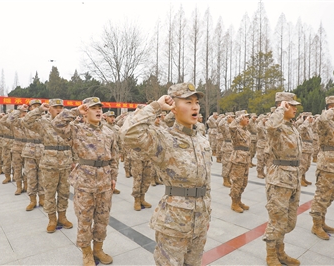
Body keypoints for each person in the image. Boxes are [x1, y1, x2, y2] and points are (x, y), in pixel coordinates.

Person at [121, 82, 211, 266]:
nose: (195, 106)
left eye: (196, 102)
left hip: (200, 220)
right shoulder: (164, 138)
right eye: (188, 101)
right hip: (174, 223)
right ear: (174, 107)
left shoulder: (202, 140)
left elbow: (206, 183)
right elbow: (128, 133)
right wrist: (156, 106)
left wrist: (207, 214)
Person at [51, 97, 118, 266]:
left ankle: (98, 249)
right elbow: (56, 124)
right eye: (93, 108)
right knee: (85, 219)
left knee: (103, 218)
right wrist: (75, 111)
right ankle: (86, 252)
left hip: (104, 182)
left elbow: (114, 157)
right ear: (85, 110)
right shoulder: (76, 130)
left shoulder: (110, 132)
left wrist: (114, 178)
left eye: (99, 108)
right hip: (85, 182)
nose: (98, 110)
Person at [22, 99, 73, 233]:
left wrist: (76, 161)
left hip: (66, 162)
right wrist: (39, 110)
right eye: (55, 107)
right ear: (49, 109)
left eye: (61, 107)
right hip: (50, 163)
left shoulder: (70, 123)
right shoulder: (43, 122)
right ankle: (52, 219)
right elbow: (26, 122)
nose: (59, 110)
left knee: (64, 192)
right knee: (50, 192)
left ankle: (62, 217)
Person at [263, 92, 302, 266]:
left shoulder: (291, 126)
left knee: (288, 221)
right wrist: (279, 110)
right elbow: (270, 126)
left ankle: (280, 251)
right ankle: (271, 255)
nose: (295, 108)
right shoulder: (275, 126)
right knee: (277, 220)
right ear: (282, 106)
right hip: (279, 179)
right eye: (291, 105)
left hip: (293, 177)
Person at [310, 96, 334, 240]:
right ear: (332, 106)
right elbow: (321, 120)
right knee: (322, 195)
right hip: (327, 165)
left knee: (330, 196)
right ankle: (316, 225)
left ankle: (322, 221)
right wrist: (331, 110)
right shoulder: (324, 121)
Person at [228, 110, 251, 213]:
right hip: (238, 159)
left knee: (243, 182)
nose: (247, 119)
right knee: (237, 182)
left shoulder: (246, 131)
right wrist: (237, 118)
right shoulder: (236, 130)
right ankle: (234, 203)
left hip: (245, 158)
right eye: (245, 117)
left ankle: (239, 200)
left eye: (247, 117)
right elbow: (231, 127)